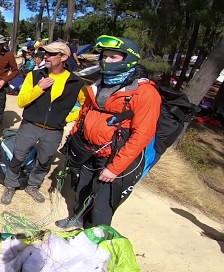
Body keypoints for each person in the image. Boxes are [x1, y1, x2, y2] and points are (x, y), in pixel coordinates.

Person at [56, 36, 161, 229]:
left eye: (114, 57)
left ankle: (96, 237)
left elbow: (142, 135)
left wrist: (114, 168)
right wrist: (74, 139)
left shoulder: (145, 93)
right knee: (82, 190)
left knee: (102, 204)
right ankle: (77, 219)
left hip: (114, 156)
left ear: (129, 59)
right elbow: (85, 112)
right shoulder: (99, 84)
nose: (106, 60)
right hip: (88, 150)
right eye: (105, 56)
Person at [0, 41, 85, 206]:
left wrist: (68, 117)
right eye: (45, 53)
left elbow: (86, 106)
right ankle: (10, 184)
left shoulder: (76, 82)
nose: (46, 56)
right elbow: (21, 101)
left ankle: (32, 185)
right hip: (30, 125)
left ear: (64, 57)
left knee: (45, 160)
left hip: (54, 130)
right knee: (18, 156)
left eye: (51, 54)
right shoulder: (35, 76)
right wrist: (39, 88)